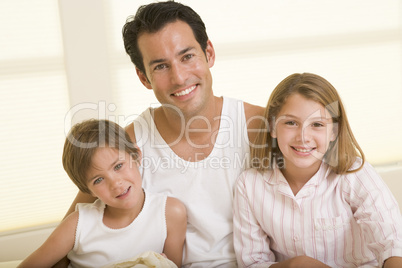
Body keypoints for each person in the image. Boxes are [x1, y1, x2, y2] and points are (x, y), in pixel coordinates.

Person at [64, 1, 264, 267]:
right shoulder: (131, 143)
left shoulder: (261, 127)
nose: (179, 77)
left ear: (209, 53)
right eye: (160, 66)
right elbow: (71, 235)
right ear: (143, 77)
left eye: (187, 56)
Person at [233, 72, 402, 267]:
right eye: (291, 123)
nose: (303, 137)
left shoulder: (354, 174)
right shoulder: (250, 185)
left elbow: (392, 243)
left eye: (317, 124)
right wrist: (293, 265)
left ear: (334, 131)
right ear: (272, 127)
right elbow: (252, 261)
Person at [18, 119, 186, 268]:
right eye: (98, 180)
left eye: (118, 166)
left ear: (136, 155)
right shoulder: (77, 225)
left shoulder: (170, 213)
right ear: (87, 190)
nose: (116, 183)